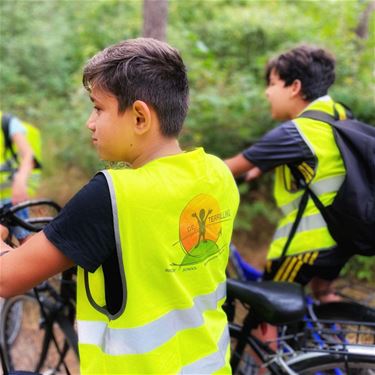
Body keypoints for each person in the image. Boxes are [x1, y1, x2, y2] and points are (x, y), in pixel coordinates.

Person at [0, 38, 239, 374]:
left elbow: (6, 280)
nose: (90, 122)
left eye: (98, 108)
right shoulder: (217, 174)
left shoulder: (112, 194)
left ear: (140, 117)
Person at [225, 45, 352, 303]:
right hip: (343, 235)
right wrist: (262, 166)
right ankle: (338, 340)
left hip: (306, 242)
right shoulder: (340, 114)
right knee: (322, 294)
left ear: (294, 87)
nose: (267, 92)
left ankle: (270, 342)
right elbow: (323, 157)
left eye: (273, 83)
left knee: (266, 308)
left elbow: (228, 167)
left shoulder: (295, 133)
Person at [0, 111, 38, 242]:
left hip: (11, 199)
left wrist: (21, 181)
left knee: (25, 240)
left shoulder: (7, 122)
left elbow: (28, 155)